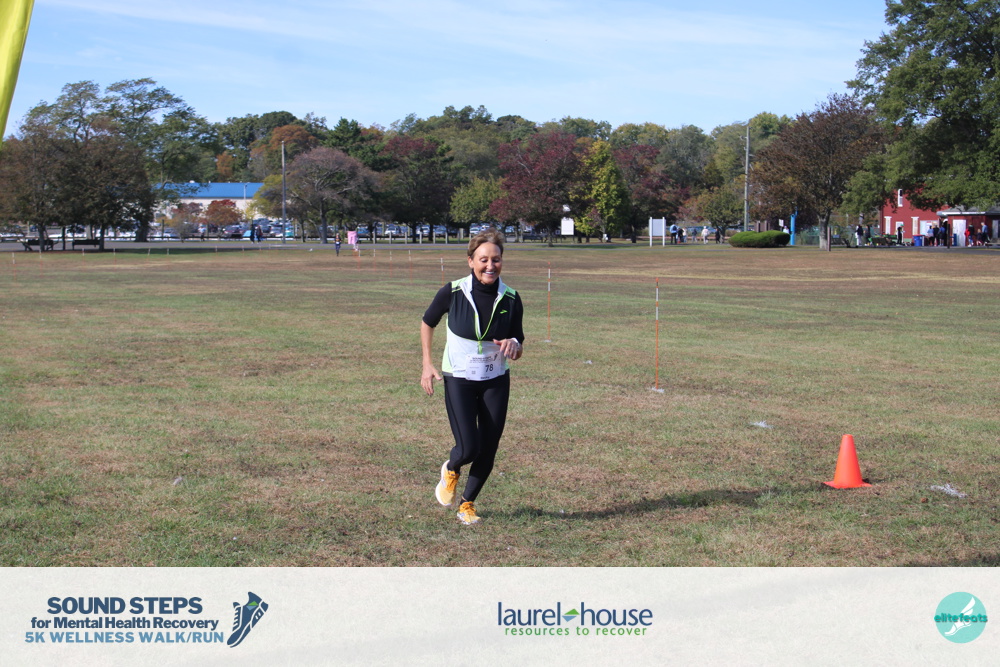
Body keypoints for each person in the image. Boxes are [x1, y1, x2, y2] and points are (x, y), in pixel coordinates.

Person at [420, 229, 525, 525]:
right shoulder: (453, 292)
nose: (490, 265)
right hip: (459, 378)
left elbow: (518, 342)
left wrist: (515, 346)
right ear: (470, 261)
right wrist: (427, 364)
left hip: (495, 380)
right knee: (468, 447)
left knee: (488, 447)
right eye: (483, 260)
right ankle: (452, 468)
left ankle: (467, 504)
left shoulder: (511, 298)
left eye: (496, 259)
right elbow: (427, 322)